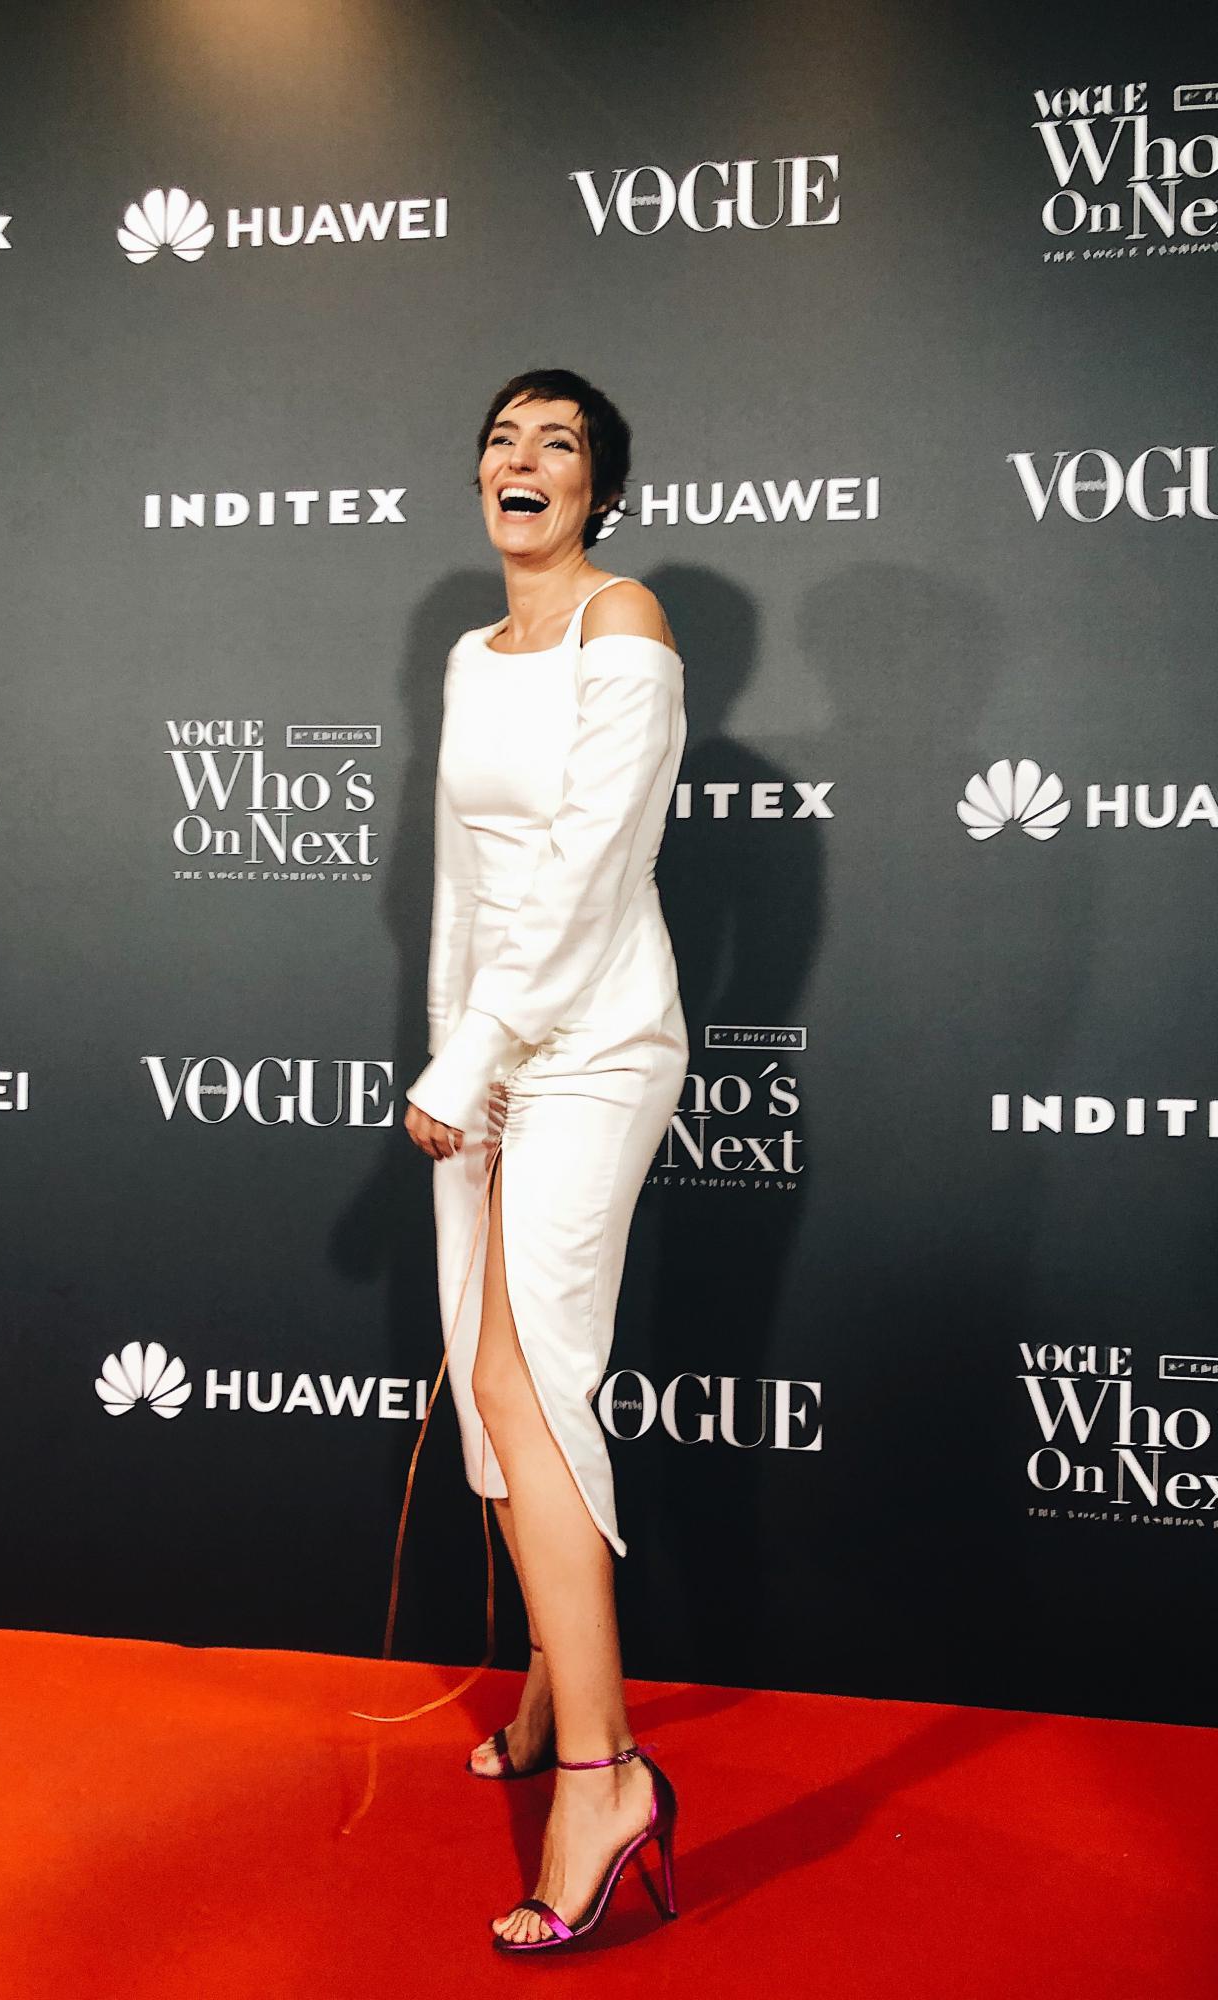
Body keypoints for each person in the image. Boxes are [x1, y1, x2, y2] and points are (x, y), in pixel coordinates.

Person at [402, 368, 687, 1951]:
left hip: (597, 1043)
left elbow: (590, 868)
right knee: (489, 1380)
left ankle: (603, 1775)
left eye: (559, 444)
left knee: (529, 1382)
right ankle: (543, 1683)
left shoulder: (622, 624)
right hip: (498, 1053)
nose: (524, 458)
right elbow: (464, 886)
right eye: (503, 436)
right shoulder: (471, 652)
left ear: (598, 492)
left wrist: (479, 1057)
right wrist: (460, 1060)